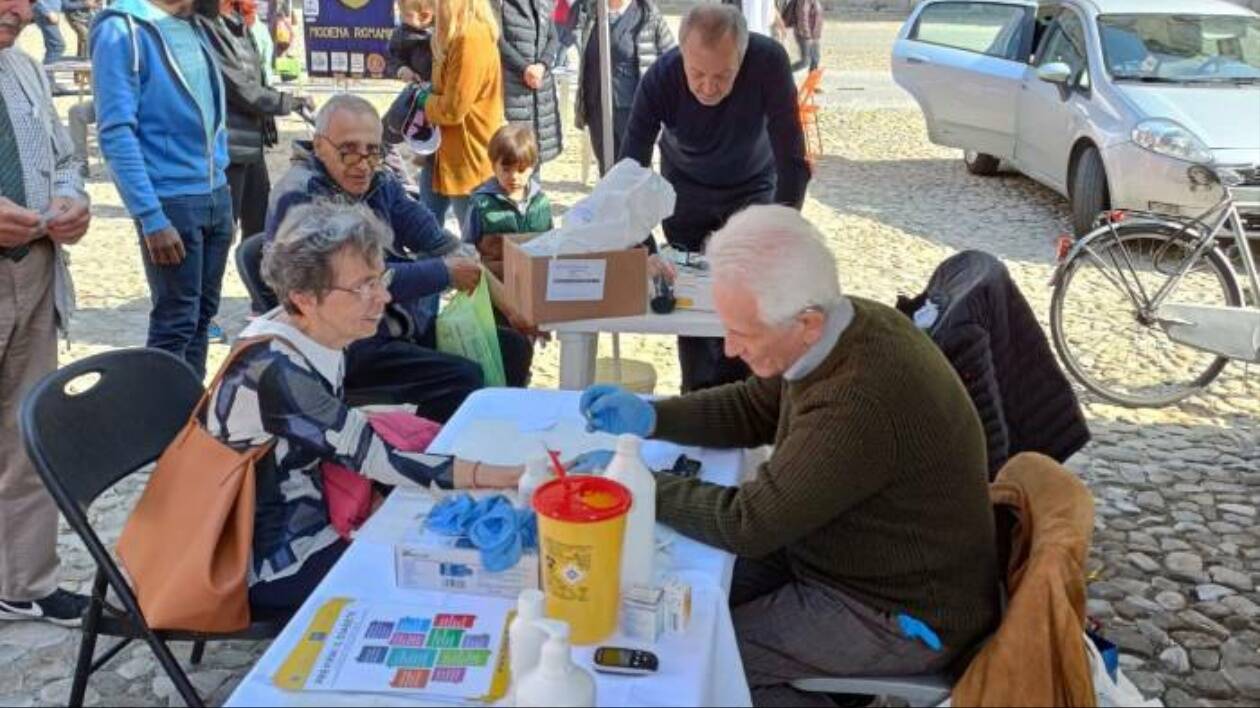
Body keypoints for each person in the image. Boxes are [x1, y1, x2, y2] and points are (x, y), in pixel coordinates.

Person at [578, 206, 1001, 707]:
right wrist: (654, 417)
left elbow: (748, 523)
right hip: (837, 554)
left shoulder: (857, 399)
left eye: (744, 333)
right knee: (677, 596)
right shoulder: (840, 325)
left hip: (898, 611)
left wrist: (637, 484)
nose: (729, 349)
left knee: (709, 661)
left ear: (807, 323)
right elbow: (754, 407)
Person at [210, 201, 519, 610]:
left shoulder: (315, 330)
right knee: (450, 576)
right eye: (363, 287)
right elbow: (375, 457)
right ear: (305, 298)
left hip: (319, 509)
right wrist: (501, 474)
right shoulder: (276, 370)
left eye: (380, 279)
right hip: (273, 558)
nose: (384, 297)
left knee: (454, 539)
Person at [266, 95, 535, 421]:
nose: (362, 163)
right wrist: (443, 273)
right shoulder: (300, 194)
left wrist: (514, 309)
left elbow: (441, 243)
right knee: (462, 378)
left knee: (512, 348)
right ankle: (435, 450)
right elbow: (348, 284)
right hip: (344, 341)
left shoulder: (380, 182)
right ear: (320, 145)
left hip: (396, 325)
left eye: (372, 150)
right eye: (348, 150)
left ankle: (501, 435)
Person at [620, 4, 809, 392]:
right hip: (685, 194)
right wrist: (644, 248)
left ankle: (742, 399)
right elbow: (628, 170)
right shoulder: (661, 78)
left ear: (742, 55)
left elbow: (793, 161)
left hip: (752, 190)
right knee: (692, 317)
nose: (708, 87)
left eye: (722, 76)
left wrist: (778, 231)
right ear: (682, 54)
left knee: (745, 313)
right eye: (697, 74)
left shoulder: (768, 62)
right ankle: (697, 395)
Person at [0, 0, 93, 625]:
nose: (22, 10)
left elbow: (63, 159)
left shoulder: (26, 68)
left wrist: (72, 200)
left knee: (25, 432)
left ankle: (24, 581)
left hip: (33, 270)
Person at [92, 0, 234, 380]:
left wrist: (222, 187)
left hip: (215, 194)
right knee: (176, 324)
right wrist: (150, 216)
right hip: (171, 201)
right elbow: (116, 132)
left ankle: (189, 410)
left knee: (202, 318)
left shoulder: (194, 24)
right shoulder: (122, 29)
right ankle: (159, 413)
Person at [197, 0, 310, 242]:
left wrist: (284, 103)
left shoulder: (238, 22)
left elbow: (255, 80)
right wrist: (287, 103)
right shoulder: (207, 24)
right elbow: (240, 89)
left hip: (250, 142)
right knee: (223, 233)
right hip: (228, 145)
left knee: (260, 228)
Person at [418, 0, 503, 231]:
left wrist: (424, 101)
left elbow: (453, 109)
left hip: (467, 153)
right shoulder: (454, 32)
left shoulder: (471, 37)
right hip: (442, 150)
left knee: (473, 239)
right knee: (425, 229)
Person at [572, 0, 672, 175]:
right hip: (597, 106)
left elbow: (671, 58)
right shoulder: (590, 11)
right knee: (607, 169)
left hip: (633, 109)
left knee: (635, 170)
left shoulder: (647, 14)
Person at [461, 123, 552, 280]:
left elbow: (551, 243)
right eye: (506, 169)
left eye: (521, 170)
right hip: (495, 281)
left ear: (533, 167)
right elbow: (467, 245)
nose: (514, 176)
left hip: (534, 279)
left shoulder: (541, 203)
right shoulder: (482, 204)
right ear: (493, 166)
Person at [496, 0, 562, 167]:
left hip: (540, 87)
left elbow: (553, 36)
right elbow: (496, 38)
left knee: (534, 155)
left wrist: (543, 64)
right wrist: (524, 68)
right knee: (513, 156)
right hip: (512, 90)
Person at [386, 0, 434, 84]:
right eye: (402, 15)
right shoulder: (402, 34)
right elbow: (393, 58)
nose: (403, 19)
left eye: (408, 15)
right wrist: (401, 69)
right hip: (418, 83)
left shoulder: (440, 31)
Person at [783, 0, 821, 73]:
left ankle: (812, 80)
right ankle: (783, 73)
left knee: (815, 60)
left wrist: (816, 35)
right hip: (805, 35)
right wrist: (807, 36)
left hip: (814, 35)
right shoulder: (803, 2)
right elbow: (802, 19)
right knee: (805, 61)